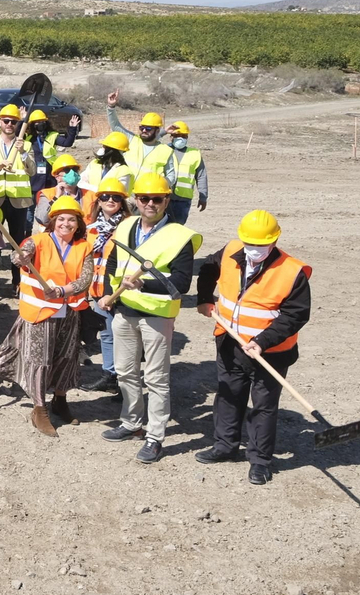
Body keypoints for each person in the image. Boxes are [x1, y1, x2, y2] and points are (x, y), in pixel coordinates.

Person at [193, 210, 311, 485]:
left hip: (271, 352)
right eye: (249, 243)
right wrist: (203, 299)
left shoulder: (292, 271)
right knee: (228, 395)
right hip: (229, 342)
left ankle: (259, 461)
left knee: (264, 406)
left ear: (274, 241)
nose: (253, 250)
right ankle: (225, 446)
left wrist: (262, 342)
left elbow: (296, 315)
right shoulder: (232, 250)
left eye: (260, 245)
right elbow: (208, 269)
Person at [98, 173, 202, 464]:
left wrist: (144, 284)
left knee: (156, 378)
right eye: (144, 198)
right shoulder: (126, 225)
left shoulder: (180, 237)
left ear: (167, 200)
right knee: (125, 370)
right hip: (124, 311)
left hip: (156, 315)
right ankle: (131, 422)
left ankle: (155, 436)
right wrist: (108, 294)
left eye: (157, 199)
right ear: (136, 200)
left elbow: (181, 284)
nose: (150, 204)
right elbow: (113, 264)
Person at [0, 195, 92, 436]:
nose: (65, 224)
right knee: (40, 361)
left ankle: (60, 399)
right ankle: (39, 408)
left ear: (78, 224)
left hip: (69, 312)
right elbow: (19, 256)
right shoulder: (36, 242)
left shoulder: (83, 247)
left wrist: (62, 291)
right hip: (40, 313)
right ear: (52, 221)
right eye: (61, 219)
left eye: (71, 220)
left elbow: (85, 278)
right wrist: (21, 259)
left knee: (67, 357)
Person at [79, 177, 131, 394]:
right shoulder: (91, 229)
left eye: (116, 197)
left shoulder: (129, 227)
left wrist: (115, 292)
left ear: (123, 202)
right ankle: (111, 376)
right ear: (98, 201)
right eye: (105, 197)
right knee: (108, 334)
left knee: (125, 337)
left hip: (119, 290)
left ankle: (125, 382)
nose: (110, 200)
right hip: (98, 290)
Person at [0, 103, 36, 291]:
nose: (9, 124)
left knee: (18, 242)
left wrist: (23, 153)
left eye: (13, 121)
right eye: (6, 121)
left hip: (18, 201)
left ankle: (18, 280)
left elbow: (32, 171)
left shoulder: (25, 145)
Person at [166, 122, 207, 224]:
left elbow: (201, 176)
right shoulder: (164, 150)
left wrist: (203, 197)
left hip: (183, 201)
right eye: (177, 135)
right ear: (171, 136)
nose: (180, 138)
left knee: (178, 229)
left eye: (183, 136)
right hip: (164, 198)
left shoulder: (194, 154)